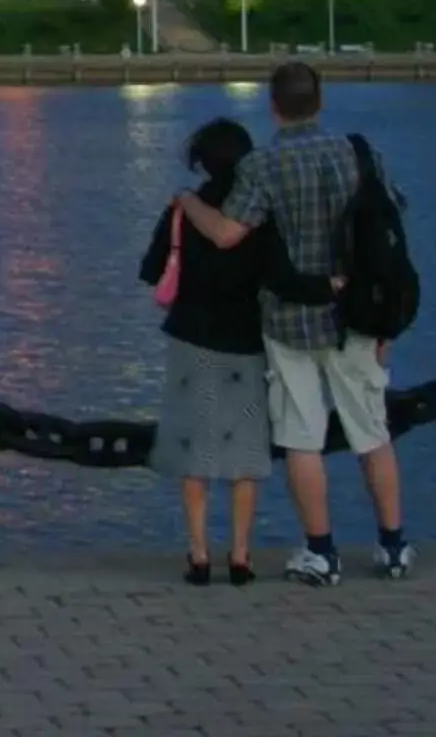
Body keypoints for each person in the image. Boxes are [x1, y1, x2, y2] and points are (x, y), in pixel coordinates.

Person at [176, 60, 410, 586]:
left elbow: (229, 234)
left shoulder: (263, 165)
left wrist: (189, 203)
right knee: (372, 432)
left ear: (273, 105)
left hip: (289, 323)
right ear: (320, 101)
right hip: (360, 316)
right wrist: (387, 324)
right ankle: (393, 546)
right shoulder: (360, 153)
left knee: (302, 438)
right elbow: (390, 231)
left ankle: (321, 553)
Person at [139, 116, 336, 586]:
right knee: (245, 452)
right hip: (246, 339)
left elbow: (151, 270)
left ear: (201, 161)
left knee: (195, 450)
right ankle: (242, 555)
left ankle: (199, 555)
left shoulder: (183, 210)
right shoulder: (258, 213)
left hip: (190, 336)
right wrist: (330, 287)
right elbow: (282, 279)